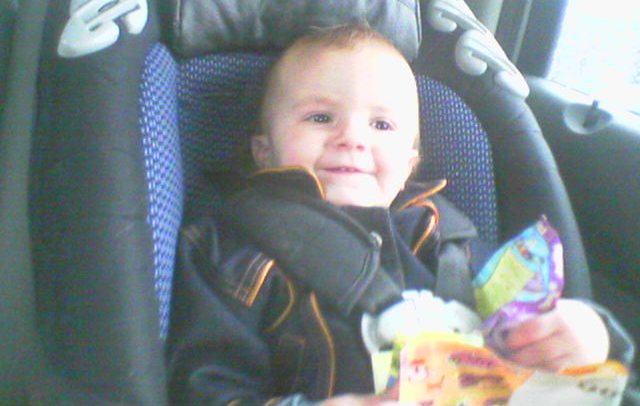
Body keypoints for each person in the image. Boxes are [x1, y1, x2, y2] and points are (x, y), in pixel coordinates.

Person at [167, 24, 625, 406]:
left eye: (381, 124)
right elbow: (204, 386)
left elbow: (524, 324)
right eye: (320, 117)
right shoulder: (228, 251)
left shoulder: (446, 236)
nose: (352, 137)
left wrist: (587, 337)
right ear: (264, 151)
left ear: (409, 165)